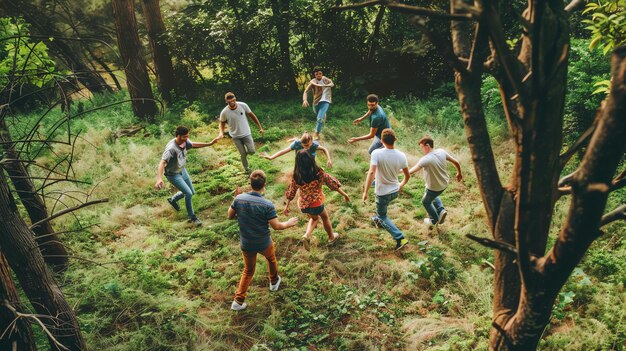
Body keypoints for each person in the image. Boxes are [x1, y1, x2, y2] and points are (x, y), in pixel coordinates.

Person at [228, 170, 299, 311]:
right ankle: (273, 282)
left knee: (248, 271)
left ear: (250, 183)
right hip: (263, 242)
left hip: (246, 243)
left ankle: (238, 301)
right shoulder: (267, 205)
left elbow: (230, 216)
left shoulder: (238, 199)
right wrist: (289, 223)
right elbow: (277, 226)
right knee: (271, 259)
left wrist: (243, 215)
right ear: (264, 185)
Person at [284, 150, 349, 250]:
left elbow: (291, 191)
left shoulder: (297, 176)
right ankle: (331, 237)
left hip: (303, 205)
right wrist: (344, 194)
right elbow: (332, 183)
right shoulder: (319, 173)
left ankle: (308, 234)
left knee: (314, 217)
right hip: (316, 203)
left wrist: (287, 206)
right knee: (324, 217)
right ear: (311, 160)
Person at [155, 125, 215, 226]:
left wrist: (209, 144)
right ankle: (192, 217)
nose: (187, 139)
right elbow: (162, 162)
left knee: (192, 192)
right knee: (189, 194)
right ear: (178, 136)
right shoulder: (171, 148)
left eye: (188, 136)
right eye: (185, 137)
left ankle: (173, 199)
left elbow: (193, 144)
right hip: (173, 175)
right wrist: (159, 178)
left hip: (182, 170)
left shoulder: (184, 141)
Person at [362, 128, 410, 250]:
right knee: (381, 211)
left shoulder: (376, 153)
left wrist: (365, 192)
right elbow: (407, 175)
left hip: (383, 193)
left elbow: (372, 172)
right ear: (395, 140)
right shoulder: (401, 155)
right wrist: (401, 185)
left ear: (382, 140)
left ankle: (400, 238)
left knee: (383, 215)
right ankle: (377, 219)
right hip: (394, 191)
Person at [409, 136, 462, 227]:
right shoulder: (441, 152)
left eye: (422, 147)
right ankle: (441, 210)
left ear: (427, 146)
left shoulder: (425, 159)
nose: (421, 150)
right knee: (432, 195)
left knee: (426, 201)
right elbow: (456, 162)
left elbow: (411, 171)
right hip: (444, 183)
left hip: (434, 187)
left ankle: (434, 220)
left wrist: (400, 171)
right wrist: (459, 173)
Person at [212, 92, 264, 174]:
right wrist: (221, 133)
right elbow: (221, 123)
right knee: (242, 154)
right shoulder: (224, 112)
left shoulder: (243, 105)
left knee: (252, 151)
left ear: (235, 99)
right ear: (226, 102)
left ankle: (244, 154)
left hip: (246, 133)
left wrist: (260, 127)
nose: (231, 103)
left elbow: (252, 116)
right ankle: (247, 169)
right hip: (235, 136)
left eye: (233, 100)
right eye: (229, 102)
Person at [260, 131, 333, 168]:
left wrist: (329, 159)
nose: (305, 148)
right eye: (303, 145)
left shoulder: (314, 145)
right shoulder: (297, 144)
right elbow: (283, 151)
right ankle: (295, 139)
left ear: (312, 141)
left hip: (311, 160)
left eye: (307, 145)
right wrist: (271, 157)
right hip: (299, 160)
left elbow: (324, 149)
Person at [302, 68, 334, 140]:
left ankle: (316, 134)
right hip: (316, 102)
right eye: (316, 74)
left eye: (320, 73)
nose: (318, 75)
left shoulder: (326, 79)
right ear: (314, 75)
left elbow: (332, 84)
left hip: (326, 101)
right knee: (319, 116)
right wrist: (305, 100)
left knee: (319, 119)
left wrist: (325, 85)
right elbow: (305, 91)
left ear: (322, 74)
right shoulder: (313, 82)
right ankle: (323, 115)